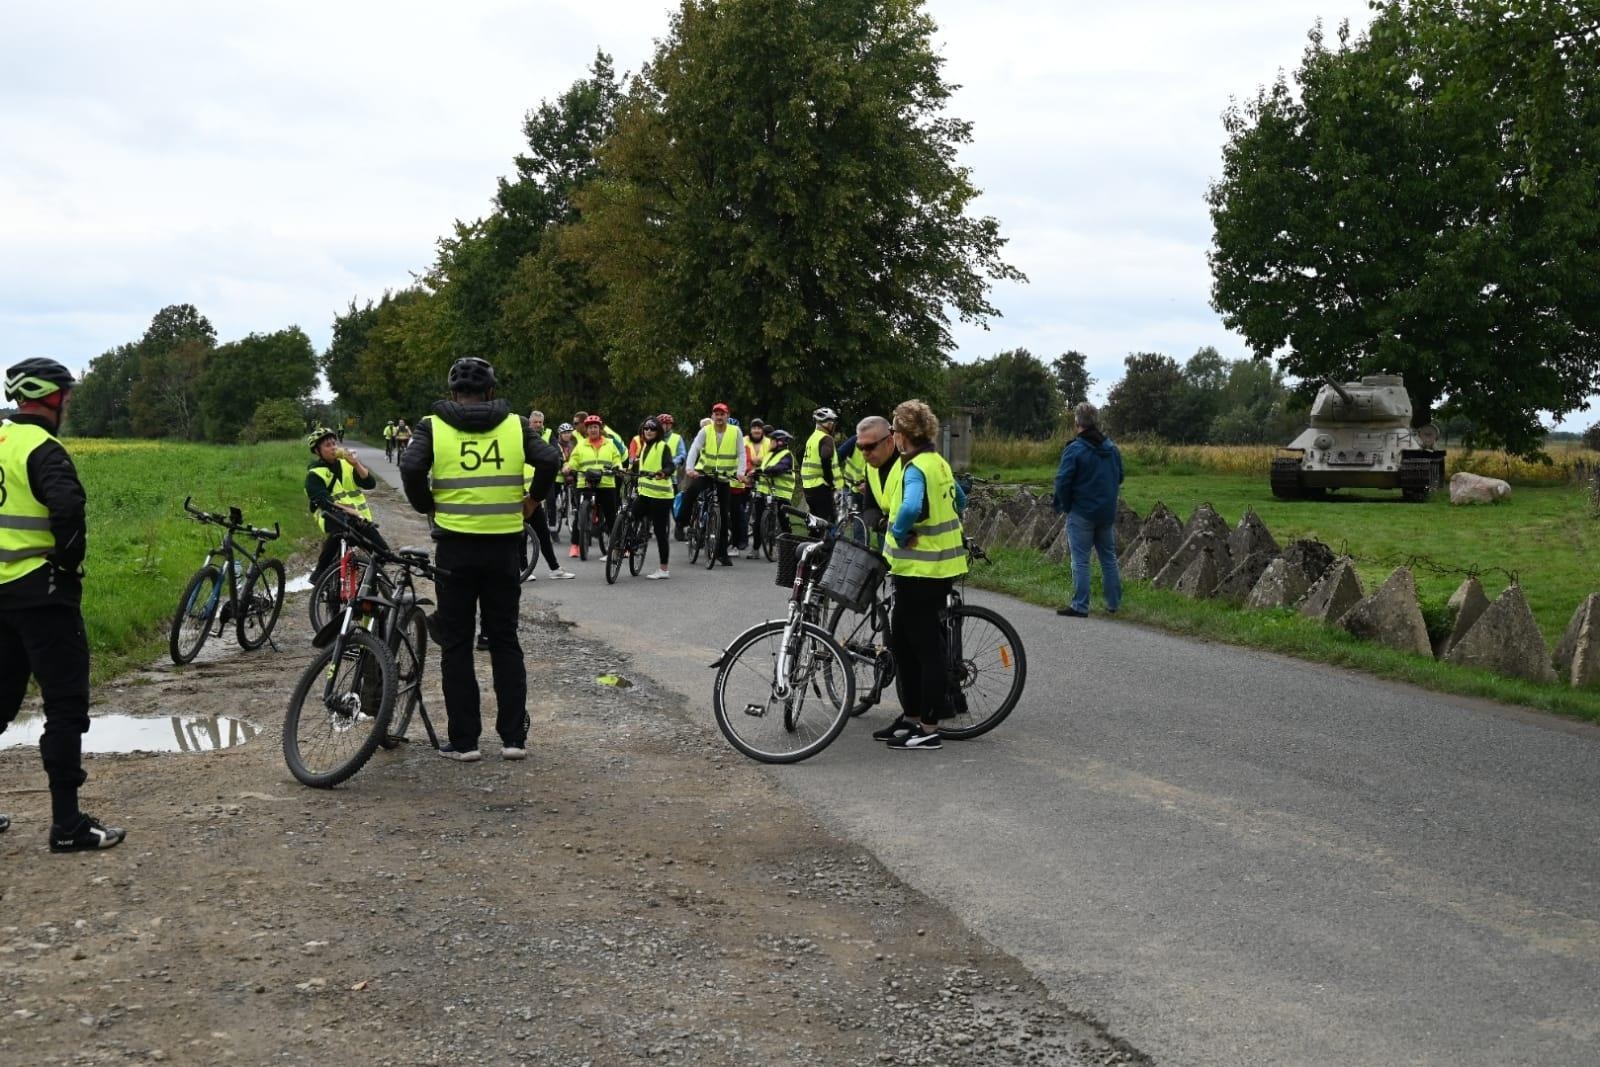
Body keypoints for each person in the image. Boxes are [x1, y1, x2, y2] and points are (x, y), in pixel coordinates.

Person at [399, 357, 561, 762]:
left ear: (453, 393)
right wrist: (533, 500)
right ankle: (513, 740)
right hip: (504, 547)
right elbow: (550, 460)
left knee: (456, 645)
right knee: (504, 639)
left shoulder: (432, 426)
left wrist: (426, 505)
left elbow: (412, 465)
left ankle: (466, 742)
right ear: (490, 391)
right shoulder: (515, 424)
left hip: (455, 548)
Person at [0, 357, 125, 851]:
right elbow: (68, 509)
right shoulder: (44, 448)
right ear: (49, 397)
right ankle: (68, 825)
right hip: (42, 596)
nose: (69, 401)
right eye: (65, 393)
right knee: (65, 706)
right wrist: (68, 570)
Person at [876, 399, 968, 751]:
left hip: (924, 569)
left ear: (902, 436)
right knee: (902, 641)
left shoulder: (916, 468)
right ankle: (911, 717)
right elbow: (960, 499)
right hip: (928, 568)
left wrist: (900, 533)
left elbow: (913, 506)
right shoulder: (937, 463)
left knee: (925, 648)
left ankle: (929, 727)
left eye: (894, 432)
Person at [1052, 401, 1124, 618]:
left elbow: (1063, 480)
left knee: (1081, 559)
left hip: (1082, 511)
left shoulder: (1075, 449)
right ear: (1096, 422)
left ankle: (1080, 605)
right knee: (1108, 558)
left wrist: (1063, 504)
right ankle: (1113, 603)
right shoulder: (1112, 449)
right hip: (1106, 512)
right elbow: (1120, 476)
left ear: (1077, 422)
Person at [305, 426, 378, 585]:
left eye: (334, 444)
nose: (333, 448)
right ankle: (319, 573)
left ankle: (370, 590)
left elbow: (370, 483)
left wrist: (356, 463)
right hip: (332, 517)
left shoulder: (346, 465)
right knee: (340, 528)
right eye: (327, 445)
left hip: (359, 519)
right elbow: (324, 502)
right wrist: (349, 510)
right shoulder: (314, 474)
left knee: (382, 552)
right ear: (317, 451)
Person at [679, 403, 745, 566]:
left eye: (722, 414)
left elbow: (741, 453)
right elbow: (694, 448)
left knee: (723, 514)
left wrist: (741, 472)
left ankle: (722, 553)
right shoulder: (705, 430)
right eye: (716, 414)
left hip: (723, 476)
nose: (719, 417)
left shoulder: (735, 432)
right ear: (712, 416)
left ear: (727, 416)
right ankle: (683, 522)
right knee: (690, 492)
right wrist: (689, 468)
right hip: (706, 472)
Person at [564, 415, 626, 559]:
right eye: (590, 427)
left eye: (595, 427)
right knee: (580, 513)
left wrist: (618, 467)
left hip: (606, 483)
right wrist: (568, 467)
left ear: (600, 429)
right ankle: (576, 545)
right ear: (586, 430)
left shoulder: (609, 443)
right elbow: (574, 460)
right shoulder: (581, 445)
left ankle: (617, 546)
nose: (593, 430)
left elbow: (616, 458)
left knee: (611, 515)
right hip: (585, 483)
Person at [633, 418, 677, 579]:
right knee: (631, 515)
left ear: (658, 431)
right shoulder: (644, 446)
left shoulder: (662, 446)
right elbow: (641, 465)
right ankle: (630, 544)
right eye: (646, 428)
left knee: (660, 532)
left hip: (661, 496)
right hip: (645, 493)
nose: (649, 431)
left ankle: (663, 569)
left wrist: (663, 472)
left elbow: (670, 465)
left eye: (652, 429)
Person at [855, 415, 902, 547]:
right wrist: (881, 523)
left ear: (888, 441)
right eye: (860, 447)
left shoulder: (912, 461)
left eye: (870, 446)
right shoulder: (870, 467)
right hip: (887, 536)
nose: (865, 453)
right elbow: (869, 507)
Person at [748, 427, 795, 557]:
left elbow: (780, 467)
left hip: (781, 494)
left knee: (783, 522)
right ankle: (755, 549)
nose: (770, 443)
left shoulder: (787, 455)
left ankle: (790, 548)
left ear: (780, 442)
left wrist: (768, 470)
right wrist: (755, 472)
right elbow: (763, 468)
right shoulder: (769, 455)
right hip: (764, 491)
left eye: (773, 441)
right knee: (757, 521)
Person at [802, 407, 839, 523]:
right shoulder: (826, 438)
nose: (833, 425)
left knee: (815, 524)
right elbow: (825, 460)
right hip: (820, 487)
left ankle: (812, 541)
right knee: (829, 522)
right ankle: (828, 541)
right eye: (832, 422)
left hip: (807, 487)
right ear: (827, 424)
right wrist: (831, 482)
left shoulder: (812, 438)